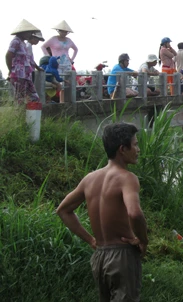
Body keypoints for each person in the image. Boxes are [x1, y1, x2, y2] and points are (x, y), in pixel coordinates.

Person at [56, 122, 148, 301]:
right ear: (123, 148)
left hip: (99, 257)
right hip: (122, 256)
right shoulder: (127, 178)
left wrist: (91, 240)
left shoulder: (90, 179)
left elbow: (63, 210)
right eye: (135, 144)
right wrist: (143, 240)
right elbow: (135, 213)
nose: (138, 149)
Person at [41, 20, 78, 103]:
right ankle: (50, 101)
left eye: (65, 31)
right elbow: (43, 46)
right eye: (62, 31)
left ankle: (64, 102)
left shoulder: (69, 40)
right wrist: (48, 57)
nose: (64, 33)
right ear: (59, 31)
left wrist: (72, 59)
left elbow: (76, 49)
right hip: (56, 63)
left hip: (66, 63)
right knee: (55, 81)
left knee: (67, 83)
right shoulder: (53, 39)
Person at [6, 19, 41, 103]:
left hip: (26, 74)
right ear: (23, 32)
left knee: (34, 97)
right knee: (20, 98)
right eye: (29, 32)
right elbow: (8, 55)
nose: (30, 35)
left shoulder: (23, 43)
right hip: (18, 74)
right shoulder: (15, 41)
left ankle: (31, 115)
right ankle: (19, 115)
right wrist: (10, 70)